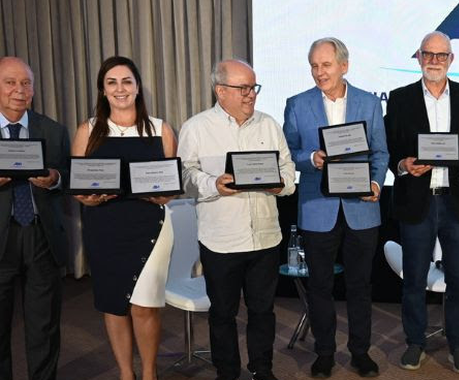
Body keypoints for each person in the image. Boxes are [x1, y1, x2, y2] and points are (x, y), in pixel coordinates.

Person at [178, 59, 296, 380]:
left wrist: (281, 184)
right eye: (243, 88)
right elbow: (185, 176)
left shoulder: (269, 124)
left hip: (265, 237)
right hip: (221, 240)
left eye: (253, 87)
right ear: (221, 91)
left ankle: (262, 369)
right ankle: (227, 372)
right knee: (222, 314)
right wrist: (213, 184)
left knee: (263, 311)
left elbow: (287, 169)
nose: (251, 94)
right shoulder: (196, 127)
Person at [283, 37, 389, 378]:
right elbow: (288, 153)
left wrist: (375, 184)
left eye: (326, 65)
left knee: (360, 286)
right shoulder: (297, 104)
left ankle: (360, 352)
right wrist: (311, 158)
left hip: (362, 209)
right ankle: (324, 353)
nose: (319, 72)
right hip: (317, 208)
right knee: (320, 287)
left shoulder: (369, 103)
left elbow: (380, 152)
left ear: (344, 65)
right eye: (314, 66)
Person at [71, 56, 178, 380]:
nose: (120, 89)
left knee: (145, 305)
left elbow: (170, 182)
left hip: (151, 227)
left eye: (127, 81)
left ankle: (149, 373)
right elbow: (78, 185)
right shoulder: (88, 130)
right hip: (104, 227)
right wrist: (85, 198)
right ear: (103, 90)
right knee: (114, 303)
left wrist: (166, 195)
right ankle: (125, 373)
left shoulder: (161, 128)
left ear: (138, 87)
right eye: (112, 82)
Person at [384, 32, 459, 373]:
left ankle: (458, 343)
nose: (435, 61)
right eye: (428, 54)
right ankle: (415, 341)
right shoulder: (400, 98)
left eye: (441, 55)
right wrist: (402, 165)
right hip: (416, 201)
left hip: (456, 201)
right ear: (419, 57)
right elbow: (389, 147)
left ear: (451, 59)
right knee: (413, 279)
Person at [0, 57, 69, 380]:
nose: (19, 90)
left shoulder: (53, 130)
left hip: (42, 236)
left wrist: (55, 178)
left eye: (26, 83)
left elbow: (71, 176)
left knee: (44, 324)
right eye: (10, 82)